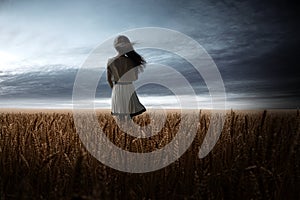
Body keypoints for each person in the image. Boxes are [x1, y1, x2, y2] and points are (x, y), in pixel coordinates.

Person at [107, 35, 146, 120]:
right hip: (129, 87)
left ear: (115, 47)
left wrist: (114, 88)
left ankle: (121, 131)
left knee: (120, 114)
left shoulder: (110, 61)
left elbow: (109, 79)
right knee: (130, 113)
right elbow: (135, 78)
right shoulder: (132, 60)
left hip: (117, 88)